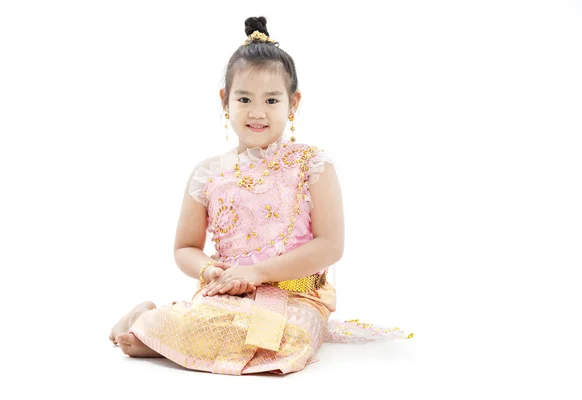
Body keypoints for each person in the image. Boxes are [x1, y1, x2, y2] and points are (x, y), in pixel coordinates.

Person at [109, 16, 413, 376]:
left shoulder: (312, 164)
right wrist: (210, 270)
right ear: (225, 101)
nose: (257, 111)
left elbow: (331, 245)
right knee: (213, 323)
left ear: (293, 102)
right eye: (244, 98)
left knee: (284, 342)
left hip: (297, 294)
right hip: (228, 296)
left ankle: (155, 331)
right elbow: (184, 248)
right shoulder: (208, 174)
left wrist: (258, 272)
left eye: (271, 99)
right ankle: (148, 318)